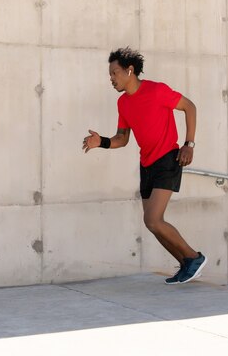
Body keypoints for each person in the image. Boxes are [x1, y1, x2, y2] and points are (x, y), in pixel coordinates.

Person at [82, 47, 206, 284]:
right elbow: (123, 139)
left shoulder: (157, 90)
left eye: (114, 73)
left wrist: (189, 144)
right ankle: (185, 264)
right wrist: (102, 142)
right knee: (152, 224)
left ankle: (194, 257)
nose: (111, 79)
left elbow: (190, 107)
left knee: (153, 220)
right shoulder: (123, 103)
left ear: (130, 71)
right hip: (146, 163)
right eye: (110, 74)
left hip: (168, 159)